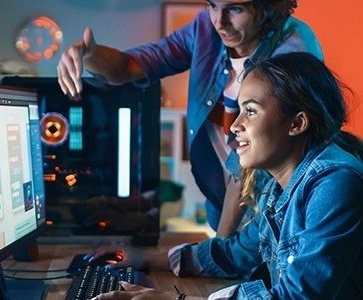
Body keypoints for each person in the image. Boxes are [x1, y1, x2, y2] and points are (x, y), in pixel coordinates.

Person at [85, 52, 363, 299]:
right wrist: (148, 258)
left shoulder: (335, 184)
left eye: (251, 111)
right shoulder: (277, 188)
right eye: (240, 110)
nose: (235, 126)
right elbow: (236, 253)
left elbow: (298, 296)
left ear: (297, 123)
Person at [57, 0, 323, 237]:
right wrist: (87, 55)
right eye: (212, 5)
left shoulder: (293, 47)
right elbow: (131, 66)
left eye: (235, 8)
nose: (220, 22)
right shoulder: (204, 29)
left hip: (274, 213)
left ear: (267, 7)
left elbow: (247, 165)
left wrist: (220, 247)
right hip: (223, 205)